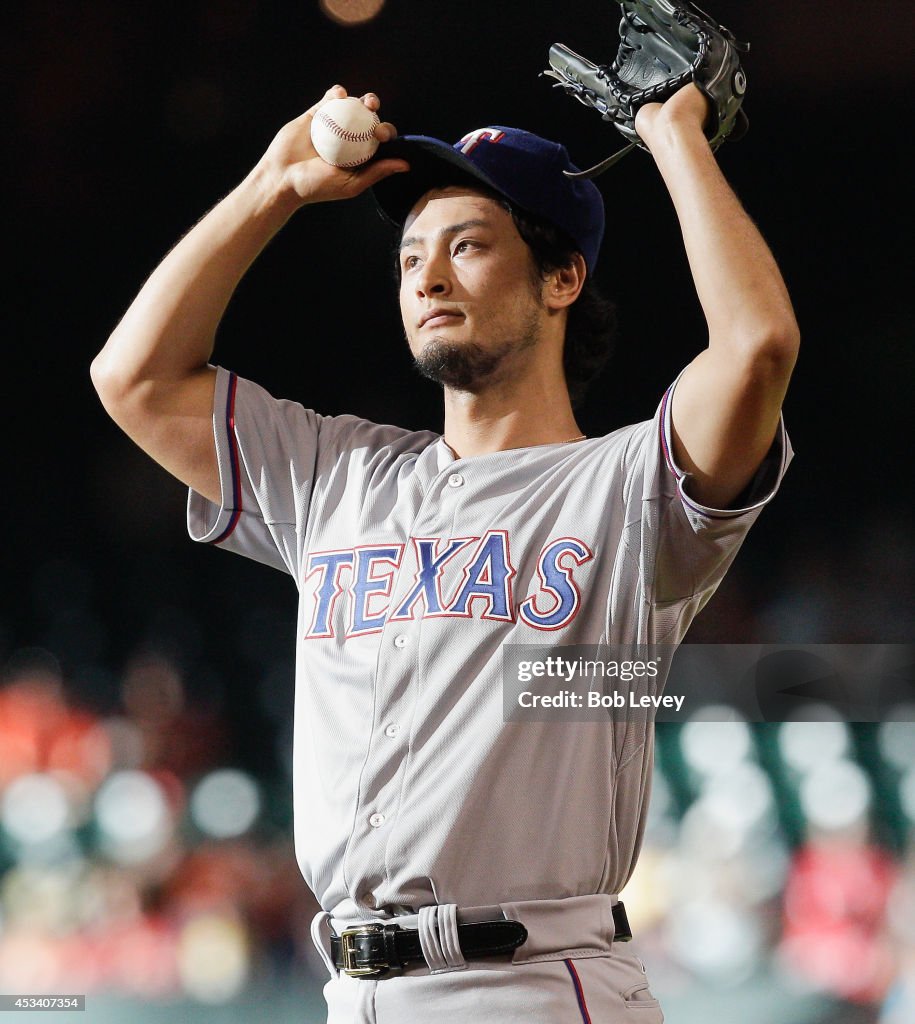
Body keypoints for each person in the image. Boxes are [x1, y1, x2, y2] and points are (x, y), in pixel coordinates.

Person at [91, 82, 799, 1022]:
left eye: (467, 248)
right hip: (352, 994)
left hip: (533, 988)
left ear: (561, 279)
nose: (427, 280)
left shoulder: (627, 490)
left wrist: (670, 137)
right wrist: (274, 183)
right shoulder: (337, 475)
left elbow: (756, 346)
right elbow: (130, 377)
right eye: (410, 257)